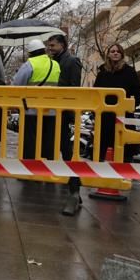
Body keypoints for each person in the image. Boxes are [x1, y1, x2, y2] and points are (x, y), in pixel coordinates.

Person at [47, 32, 83, 215]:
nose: (50, 48)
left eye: (52, 45)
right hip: (53, 111)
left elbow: (74, 88)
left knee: (66, 150)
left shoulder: (71, 61)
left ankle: (75, 188)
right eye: (49, 45)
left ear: (62, 45)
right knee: (55, 148)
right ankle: (72, 185)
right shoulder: (53, 62)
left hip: (63, 112)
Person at [11, 38, 60, 161]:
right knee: (48, 142)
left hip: (31, 110)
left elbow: (17, 84)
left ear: (30, 52)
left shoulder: (29, 64)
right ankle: (48, 169)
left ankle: (30, 169)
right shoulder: (55, 64)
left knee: (30, 142)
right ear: (44, 50)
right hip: (51, 110)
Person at [93, 43, 140, 161]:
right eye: (112, 51)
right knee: (100, 149)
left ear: (121, 55)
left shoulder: (129, 72)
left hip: (123, 116)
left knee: (125, 150)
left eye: (118, 51)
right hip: (104, 116)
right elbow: (95, 94)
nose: (115, 53)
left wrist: (130, 107)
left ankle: (124, 175)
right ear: (108, 55)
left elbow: (137, 93)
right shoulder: (102, 73)